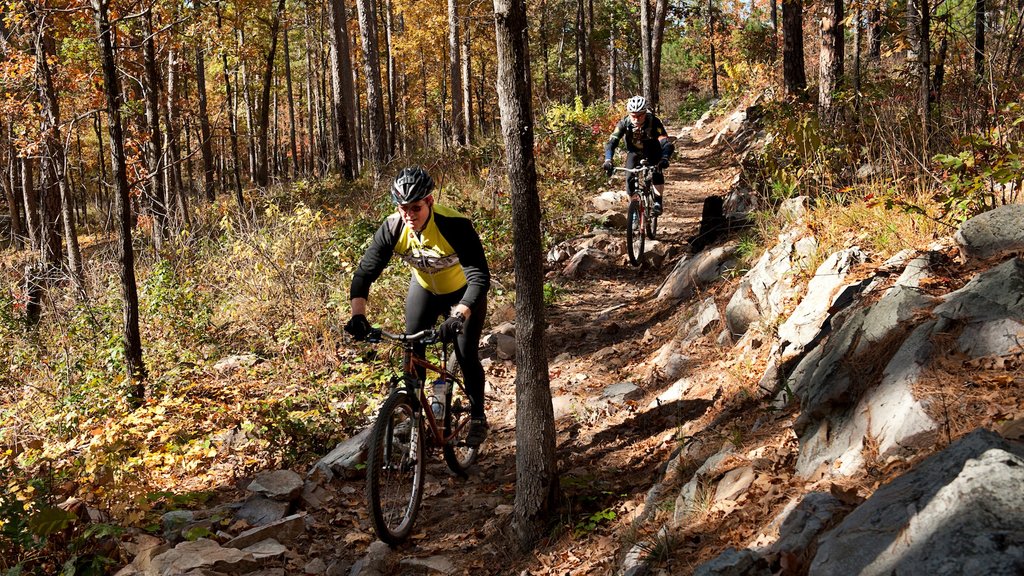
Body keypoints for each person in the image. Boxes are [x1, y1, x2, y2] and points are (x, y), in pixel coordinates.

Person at [344, 166, 491, 446]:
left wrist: (460, 314)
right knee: (411, 348)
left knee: (465, 353)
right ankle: (414, 417)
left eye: (416, 208)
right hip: (424, 289)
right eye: (403, 208)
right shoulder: (393, 227)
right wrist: (358, 316)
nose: (409, 216)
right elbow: (365, 273)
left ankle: (478, 418)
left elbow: (479, 277)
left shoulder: (454, 225)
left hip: (462, 293)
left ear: (430, 202)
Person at [602, 95, 674, 215]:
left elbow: (665, 142)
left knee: (657, 170)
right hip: (634, 152)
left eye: (639, 115)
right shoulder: (624, 123)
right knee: (629, 177)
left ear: (645, 113)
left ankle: (658, 202)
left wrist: (665, 157)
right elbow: (611, 143)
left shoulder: (654, 122)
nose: (636, 118)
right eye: (633, 115)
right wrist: (608, 160)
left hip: (653, 151)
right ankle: (634, 211)